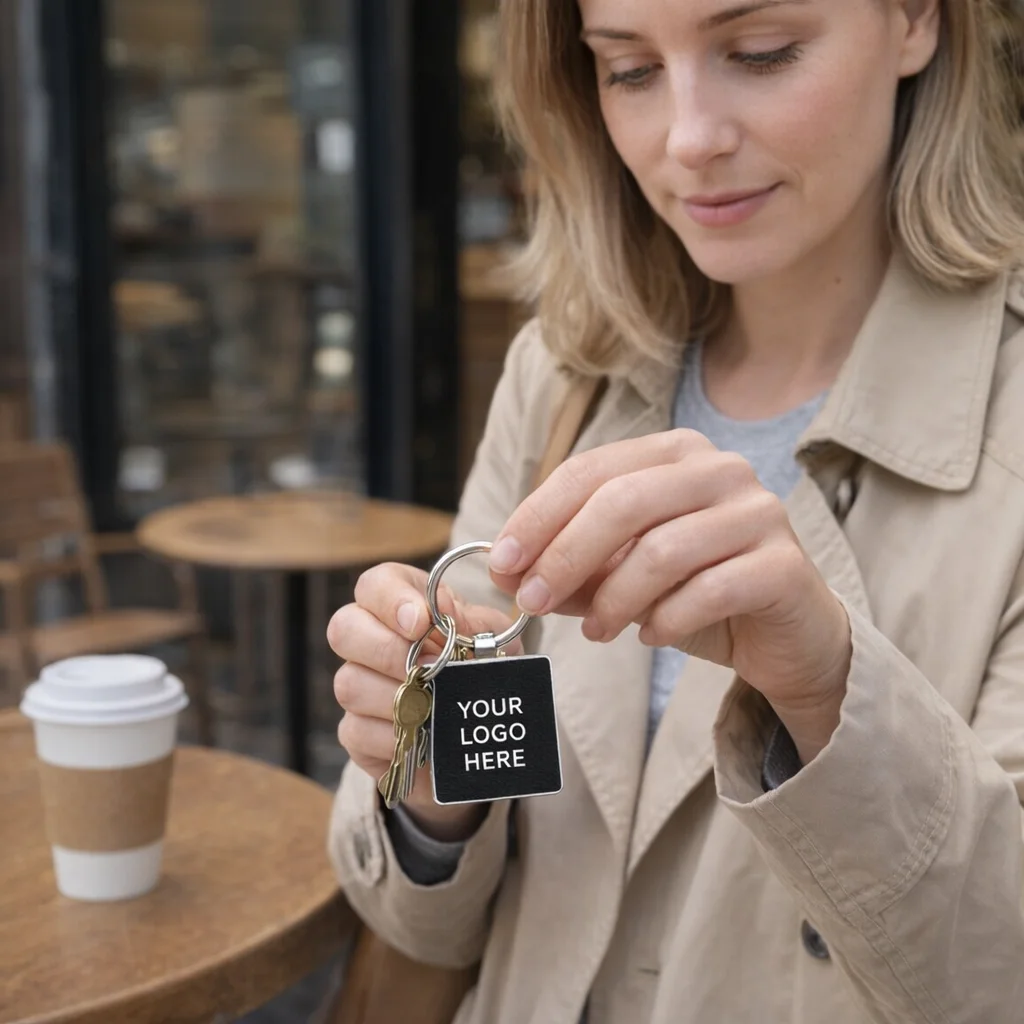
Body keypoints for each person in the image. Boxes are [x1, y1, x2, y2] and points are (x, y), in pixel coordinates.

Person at [327, 1, 1024, 1020]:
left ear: (915, 19)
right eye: (628, 71)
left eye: (760, 52)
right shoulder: (564, 372)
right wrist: (436, 793)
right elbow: (432, 926)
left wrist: (827, 688)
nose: (688, 138)